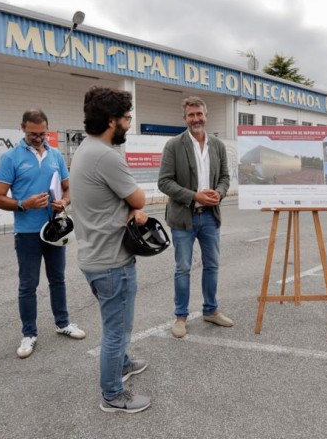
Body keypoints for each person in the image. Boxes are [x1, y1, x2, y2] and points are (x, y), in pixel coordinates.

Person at [70, 86, 150, 413]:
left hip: (94, 255)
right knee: (117, 330)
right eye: (127, 119)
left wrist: (126, 208)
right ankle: (113, 394)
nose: (129, 125)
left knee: (116, 325)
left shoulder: (86, 148)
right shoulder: (105, 154)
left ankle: (124, 364)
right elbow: (139, 199)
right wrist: (132, 208)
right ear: (111, 120)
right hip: (111, 261)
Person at [0, 109, 85, 359]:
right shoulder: (10, 158)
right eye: (33, 134)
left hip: (54, 230)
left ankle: (62, 323)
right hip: (27, 233)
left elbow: (67, 189)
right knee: (28, 285)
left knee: (58, 279)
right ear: (22, 128)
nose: (38, 138)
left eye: (42, 133)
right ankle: (29, 334)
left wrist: (64, 202)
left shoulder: (55, 154)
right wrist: (24, 203)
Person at [158, 96, 232, 338]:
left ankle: (210, 310)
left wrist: (218, 194)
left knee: (212, 265)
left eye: (199, 114)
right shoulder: (174, 145)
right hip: (183, 217)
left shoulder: (218, 145)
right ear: (185, 118)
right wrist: (194, 196)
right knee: (183, 268)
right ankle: (181, 317)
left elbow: (224, 177)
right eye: (191, 115)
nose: (196, 119)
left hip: (210, 216)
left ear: (206, 116)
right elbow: (164, 182)